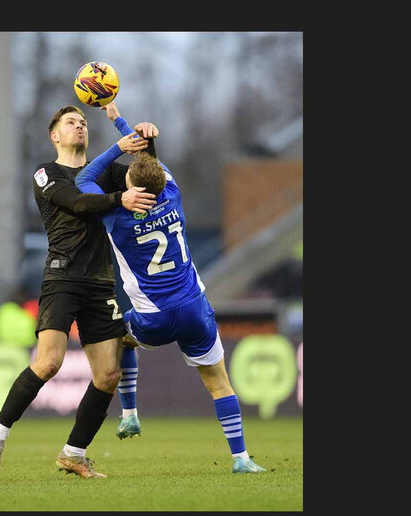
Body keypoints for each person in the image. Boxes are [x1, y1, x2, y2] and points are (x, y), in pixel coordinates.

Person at [74, 102, 268, 474]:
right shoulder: (173, 194)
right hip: (194, 308)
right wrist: (121, 122)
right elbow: (152, 165)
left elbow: (84, 180)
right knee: (219, 384)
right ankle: (241, 458)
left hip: (153, 317)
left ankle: (130, 412)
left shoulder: (115, 215)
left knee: (120, 336)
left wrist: (119, 143)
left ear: (129, 185)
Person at [0, 105, 156, 479]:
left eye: (83, 122)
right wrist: (117, 200)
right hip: (62, 278)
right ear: (54, 136)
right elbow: (77, 201)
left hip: (101, 281)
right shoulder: (46, 174)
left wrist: (147, 145)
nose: (79, 126)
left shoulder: (107, 171)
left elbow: (148, 182)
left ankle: (74, 453)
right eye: (70, 123)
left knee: (108, 376)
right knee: (48, 362)